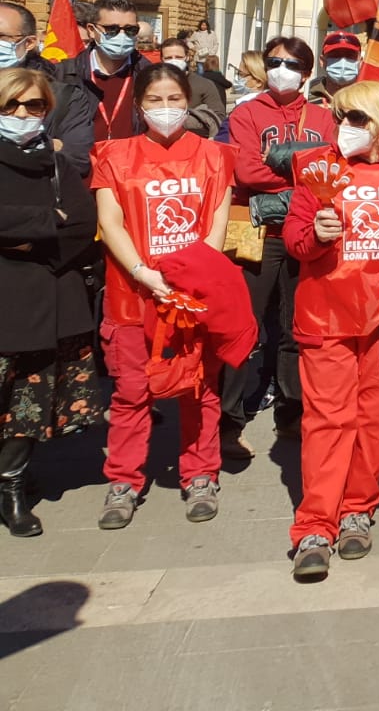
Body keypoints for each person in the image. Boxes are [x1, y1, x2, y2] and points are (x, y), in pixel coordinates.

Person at [280, 80, 379, 579]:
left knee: (376, 420)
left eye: (358, 118)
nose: (346, 127)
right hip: (326, 317)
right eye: (341, 116)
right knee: (326, 420)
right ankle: (315, 525)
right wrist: (315, 236)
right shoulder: (318, 166)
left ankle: (358, 508)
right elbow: (295, 240)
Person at [91, 63, 235, 529]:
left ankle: (200, 474)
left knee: (199, 388)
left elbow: (216, 220)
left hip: (191, 296)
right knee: (131, 393)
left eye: (175, 99)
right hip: (132, 295)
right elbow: (110, 222)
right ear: (139, 106)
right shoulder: (114, 155)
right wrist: (142, 272)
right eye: (155, 100)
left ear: (189, 101)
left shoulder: (214, 155)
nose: (166, 109)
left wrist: (189, 277)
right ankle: (124, 480)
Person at [220, 36, 337, 458]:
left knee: (294, 328)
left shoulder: (323, 116)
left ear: (306, 73)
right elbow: (246, 169)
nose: (281, 69)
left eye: (291, 64)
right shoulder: (248, 112)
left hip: (304, 231)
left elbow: (330, 165)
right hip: (256, 233)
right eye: (274, 61)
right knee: (241, 327)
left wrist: (283, 167)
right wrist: (302, 173)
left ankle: (291, 415)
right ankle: (228, 423)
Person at [0, 68, 101, 537]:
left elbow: (80, 226)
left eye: (33, 106)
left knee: (29, 400)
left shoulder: (58, 165)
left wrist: (20, 236)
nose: (22, 114)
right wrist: (44, 220)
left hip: (48, 291)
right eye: (11, 106)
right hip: (6, 295)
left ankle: (13, 485)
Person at [0, 0, 94, 177]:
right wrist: (50, 145)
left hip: (38, 197)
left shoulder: (64, 97)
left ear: (29, 43)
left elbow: (77, 162)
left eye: (1, 36)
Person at [57, 0, 153, 143]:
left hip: (132, 162)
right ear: (91, 30)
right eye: (112, 29)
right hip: (83, 163)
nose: (121, 36)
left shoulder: (149, 76)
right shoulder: (63, 75)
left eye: (130, 30)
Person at [159, 38, 223, 136]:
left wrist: (189, 120)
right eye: (168, 58)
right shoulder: (155, 84)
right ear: (162, 59)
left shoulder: (204, 84)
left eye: (178, 57)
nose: (174, 61)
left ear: (187, 57)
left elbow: (218, 117)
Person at [307, 31, 363, 107]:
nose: (343, 61)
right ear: (322, 61)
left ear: (360, 62)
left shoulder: (370, 100)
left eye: (350, 55)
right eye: (335, 55)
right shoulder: (307, 95)